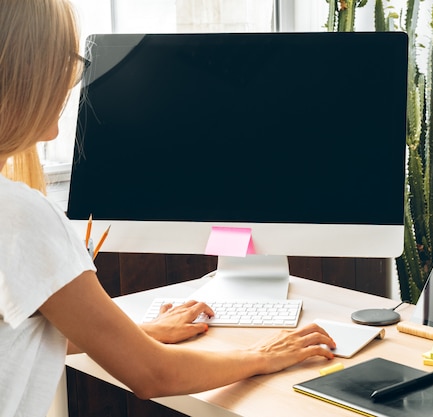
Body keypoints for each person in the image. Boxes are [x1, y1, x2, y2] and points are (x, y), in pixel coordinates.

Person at [0, 1, 336, 416]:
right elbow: (153, 375)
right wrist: (265, 353)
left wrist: (143, 332)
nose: (73, 83)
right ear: (27, 75)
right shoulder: (20, 217)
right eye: (68, 65)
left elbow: (25, 327)